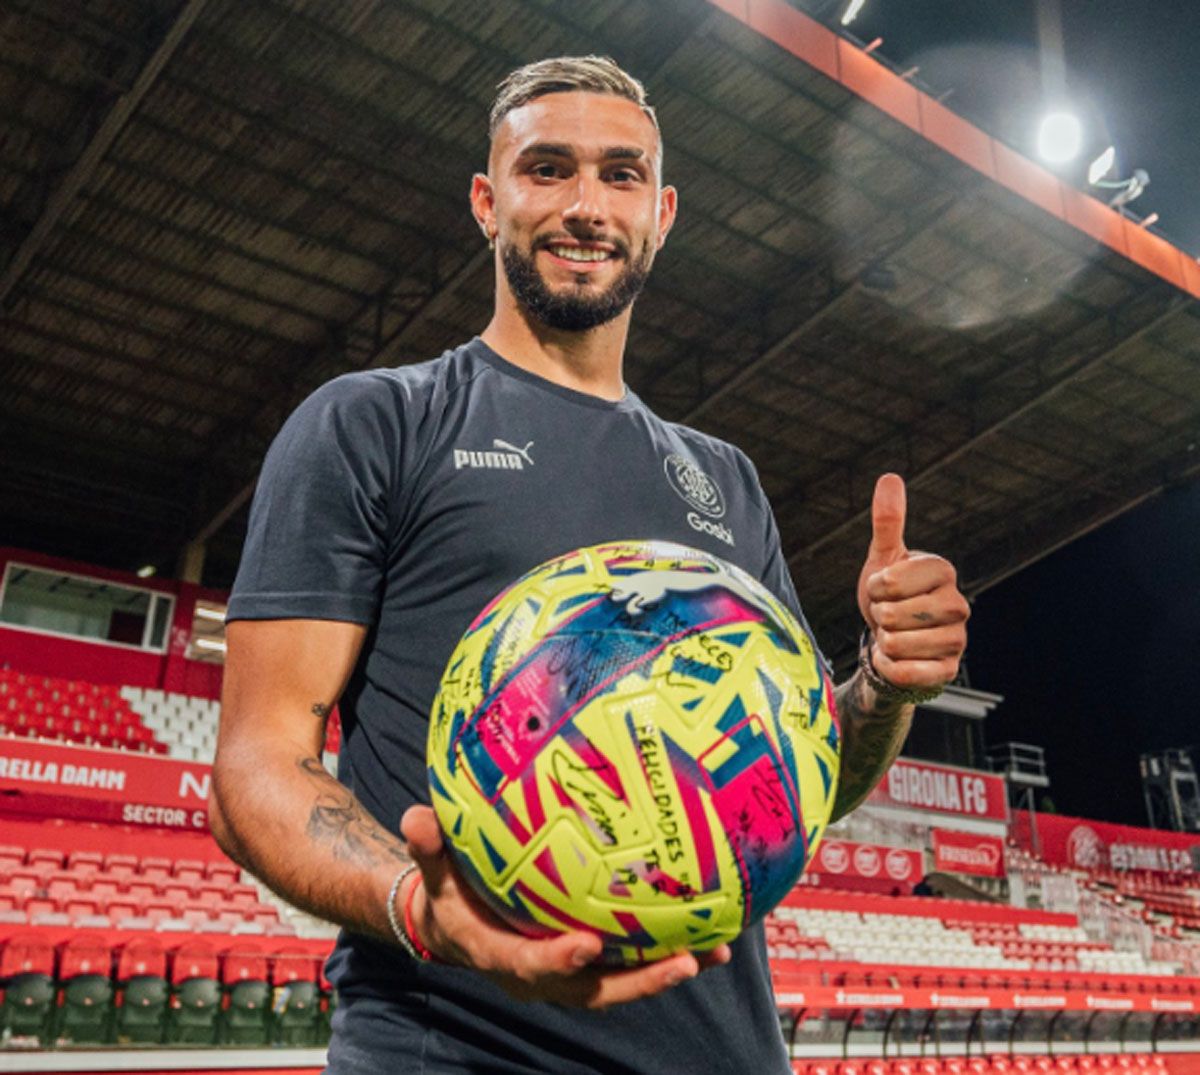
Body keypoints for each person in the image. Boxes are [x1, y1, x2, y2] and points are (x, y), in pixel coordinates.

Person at [211, 55, 969, 1074]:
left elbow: (802, 783)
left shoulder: (725, 479)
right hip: (460, 1050)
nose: (585, 206)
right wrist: (425, 909)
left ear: (660, 213)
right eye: (547, 168)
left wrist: (887, 680)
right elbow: (255, 767)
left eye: (619, 176)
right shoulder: (377, 423)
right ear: (488, 201)